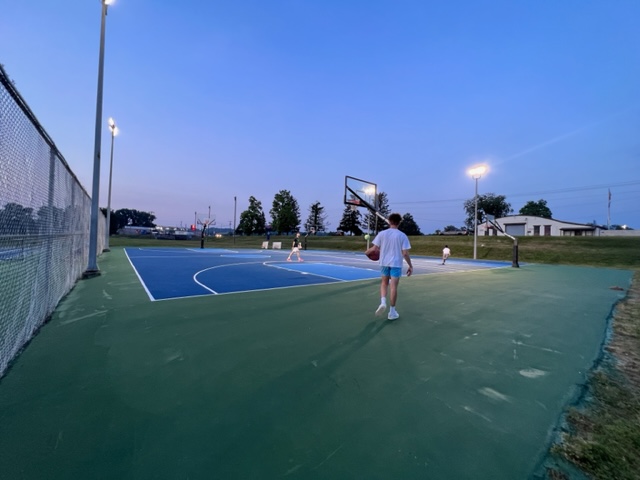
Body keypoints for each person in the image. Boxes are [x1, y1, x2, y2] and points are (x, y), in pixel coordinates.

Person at [364, 213, 413, 320]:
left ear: (389, 221)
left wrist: (366, 252)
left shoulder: (382, 234)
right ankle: (392, 312)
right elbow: (405, 253)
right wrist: (410, 266)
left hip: (384, 263)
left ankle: (382, 302)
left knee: (384, 283)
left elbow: (374, 249)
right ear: (399, 222)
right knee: (393, 287)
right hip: (396, 264)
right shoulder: (402, 235)